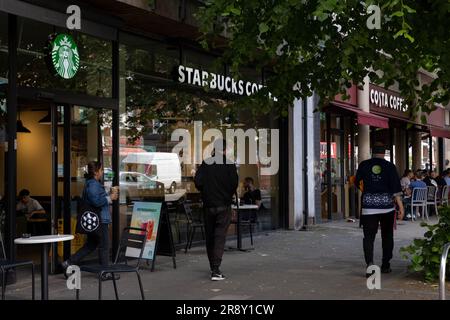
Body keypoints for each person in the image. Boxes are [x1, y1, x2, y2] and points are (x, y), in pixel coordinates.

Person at [61, 161, 119, 281]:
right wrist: (110, 198)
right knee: (104, 246)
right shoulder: (93, 184)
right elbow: (96, 202)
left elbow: (97, 198)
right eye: (101, 170)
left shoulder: (93, 183)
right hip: (100, 220)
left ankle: (68, 263)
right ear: (96, 172)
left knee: (91, 245)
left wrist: (108, 194)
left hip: (98, 219)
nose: (102, 172)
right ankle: (105, 273)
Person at [355, 143, 404, 277]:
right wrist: (401, 207)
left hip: (368, 207)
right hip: (387, 208)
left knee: (368, 237)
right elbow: (395, 188)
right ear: (384, 153)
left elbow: (357, 181)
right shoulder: (390, 167)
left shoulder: (364, 165)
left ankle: (370, 264)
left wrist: (367, 192)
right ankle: (386, 265)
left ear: (372, 152)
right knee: (387, 235)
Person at [194, 139, 239, 281]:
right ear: (225, 150)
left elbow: (198, 182)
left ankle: (212, 267)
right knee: (220, 237)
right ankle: (216, 269)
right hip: (223, 205)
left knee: (210, 236)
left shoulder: (206, 163)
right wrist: (226, 195)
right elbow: (234, 185)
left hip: (209, 205)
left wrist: (206, 192)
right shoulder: (230, 165)